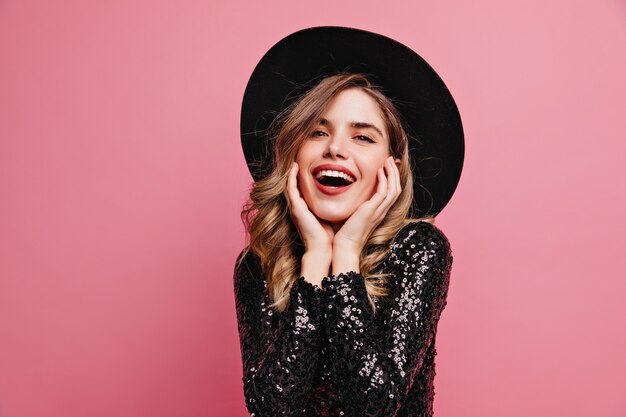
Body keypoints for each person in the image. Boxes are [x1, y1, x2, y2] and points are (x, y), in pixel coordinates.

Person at [234, 26, 464, 417]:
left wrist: (346, 254)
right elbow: (270, 409)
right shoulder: (258, 262)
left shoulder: (420, 248)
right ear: (293, 153)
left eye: (363, 137)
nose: (336, 148)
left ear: (391, 167)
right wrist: (315, 259)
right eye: (317, 131)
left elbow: (375, 405)